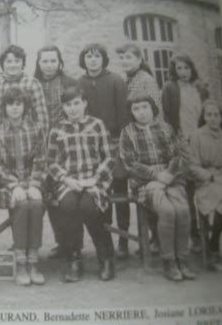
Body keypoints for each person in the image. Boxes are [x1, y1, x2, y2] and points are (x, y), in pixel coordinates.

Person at [119, 92, 196, 282]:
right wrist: (155, 175)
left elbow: (177, 156)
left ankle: (182, 258)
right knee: (168, 211)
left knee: (183, 209)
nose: (141, 112)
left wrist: (168, 174)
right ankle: (169, 261)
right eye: (136, 109)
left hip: (171, 179)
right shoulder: (128, 132)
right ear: (131, 112)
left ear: (152, 108)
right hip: (146, 183)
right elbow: (130, 163)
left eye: (145, 107)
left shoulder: (165, 128)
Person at [47, 86, 115, 282]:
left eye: (76, 103)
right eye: (68, 105)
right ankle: (74, 257)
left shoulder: (97, 125)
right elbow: (51, 162)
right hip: (69, 181)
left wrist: (95, 178)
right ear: (63, 107)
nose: (73, 109)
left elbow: (110, 157)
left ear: (84, 103)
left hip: (95, 180)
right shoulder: (57, 129)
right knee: (67, 206)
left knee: (88, 207)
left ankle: (105, 256)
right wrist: (66, 179)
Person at [77, 43, 130, 258]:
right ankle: (106, 239)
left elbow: (124, 115)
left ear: (103, 59)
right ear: (84, 60)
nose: (93, 60)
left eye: (97, 56)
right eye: (89, 56)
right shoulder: (80, 82)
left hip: (115, 142)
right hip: (92, 146)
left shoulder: (116, 80)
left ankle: (124, 241)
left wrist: (120, 143)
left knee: (120, 189)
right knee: (102, 193)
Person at [0, 88, 46, 286]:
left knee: (36, 204)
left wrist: (34, 184)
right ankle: (22, 263)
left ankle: (34, 262)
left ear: (25, 106)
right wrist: (15, 186)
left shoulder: (36, 128)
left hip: (33, 183)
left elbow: (41, 160)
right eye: (10, 104)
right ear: (4, 108)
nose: (14, 109)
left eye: (18, 104)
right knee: (22, 205)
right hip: (8, 186)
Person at [116, 42, 162, 251]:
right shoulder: (127, 79)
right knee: (140, 188)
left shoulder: (146, 80)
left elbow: (156, 110)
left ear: (139, 60)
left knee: (151, 188)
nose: (125, 61)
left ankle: (157, 237)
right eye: (122, 58)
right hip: (133, 138)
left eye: (129, 57)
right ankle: (151, 237)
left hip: (148, 139)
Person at [162, 53, 210, 253]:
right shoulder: (170, 88)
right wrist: (177, 139)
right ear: (174, 71)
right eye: (179, 69)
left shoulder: (200, 87)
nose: (183, 72)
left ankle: (207, 233)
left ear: (192, 68)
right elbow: (167, 116)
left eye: (186, 68)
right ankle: (194, 235)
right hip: (181, 142)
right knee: (187, 189)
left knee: (204, 187)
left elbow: (208, 112)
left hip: (200, 141)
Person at [33, 45, 77, 259]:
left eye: (53, 61)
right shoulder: (34, 84)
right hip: (41, 146)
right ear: (38, 63)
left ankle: (71, 245)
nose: (49, 65)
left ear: (59, 63)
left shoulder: (69, 83)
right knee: (47, 196)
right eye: (44, 61)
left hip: (65, 145)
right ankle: (55, 243)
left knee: (65, 196)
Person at [189, 99, 222, 271]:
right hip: (207, 181)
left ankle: (211, 243)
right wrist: (209, 176)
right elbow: (193, 165)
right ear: (204, 117)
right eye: (209, 115)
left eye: (217, 115)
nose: (213, 118)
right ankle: (214, 246)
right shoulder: (197, 136)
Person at [0, 44, 49, 134]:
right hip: (6, 137)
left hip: (29, 135)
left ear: (23, 63)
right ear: (2, 64)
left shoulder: (32, 83)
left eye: (17, 61)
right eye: (9, 62)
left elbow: (42, 116)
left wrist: (42, 137)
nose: (13, 65)